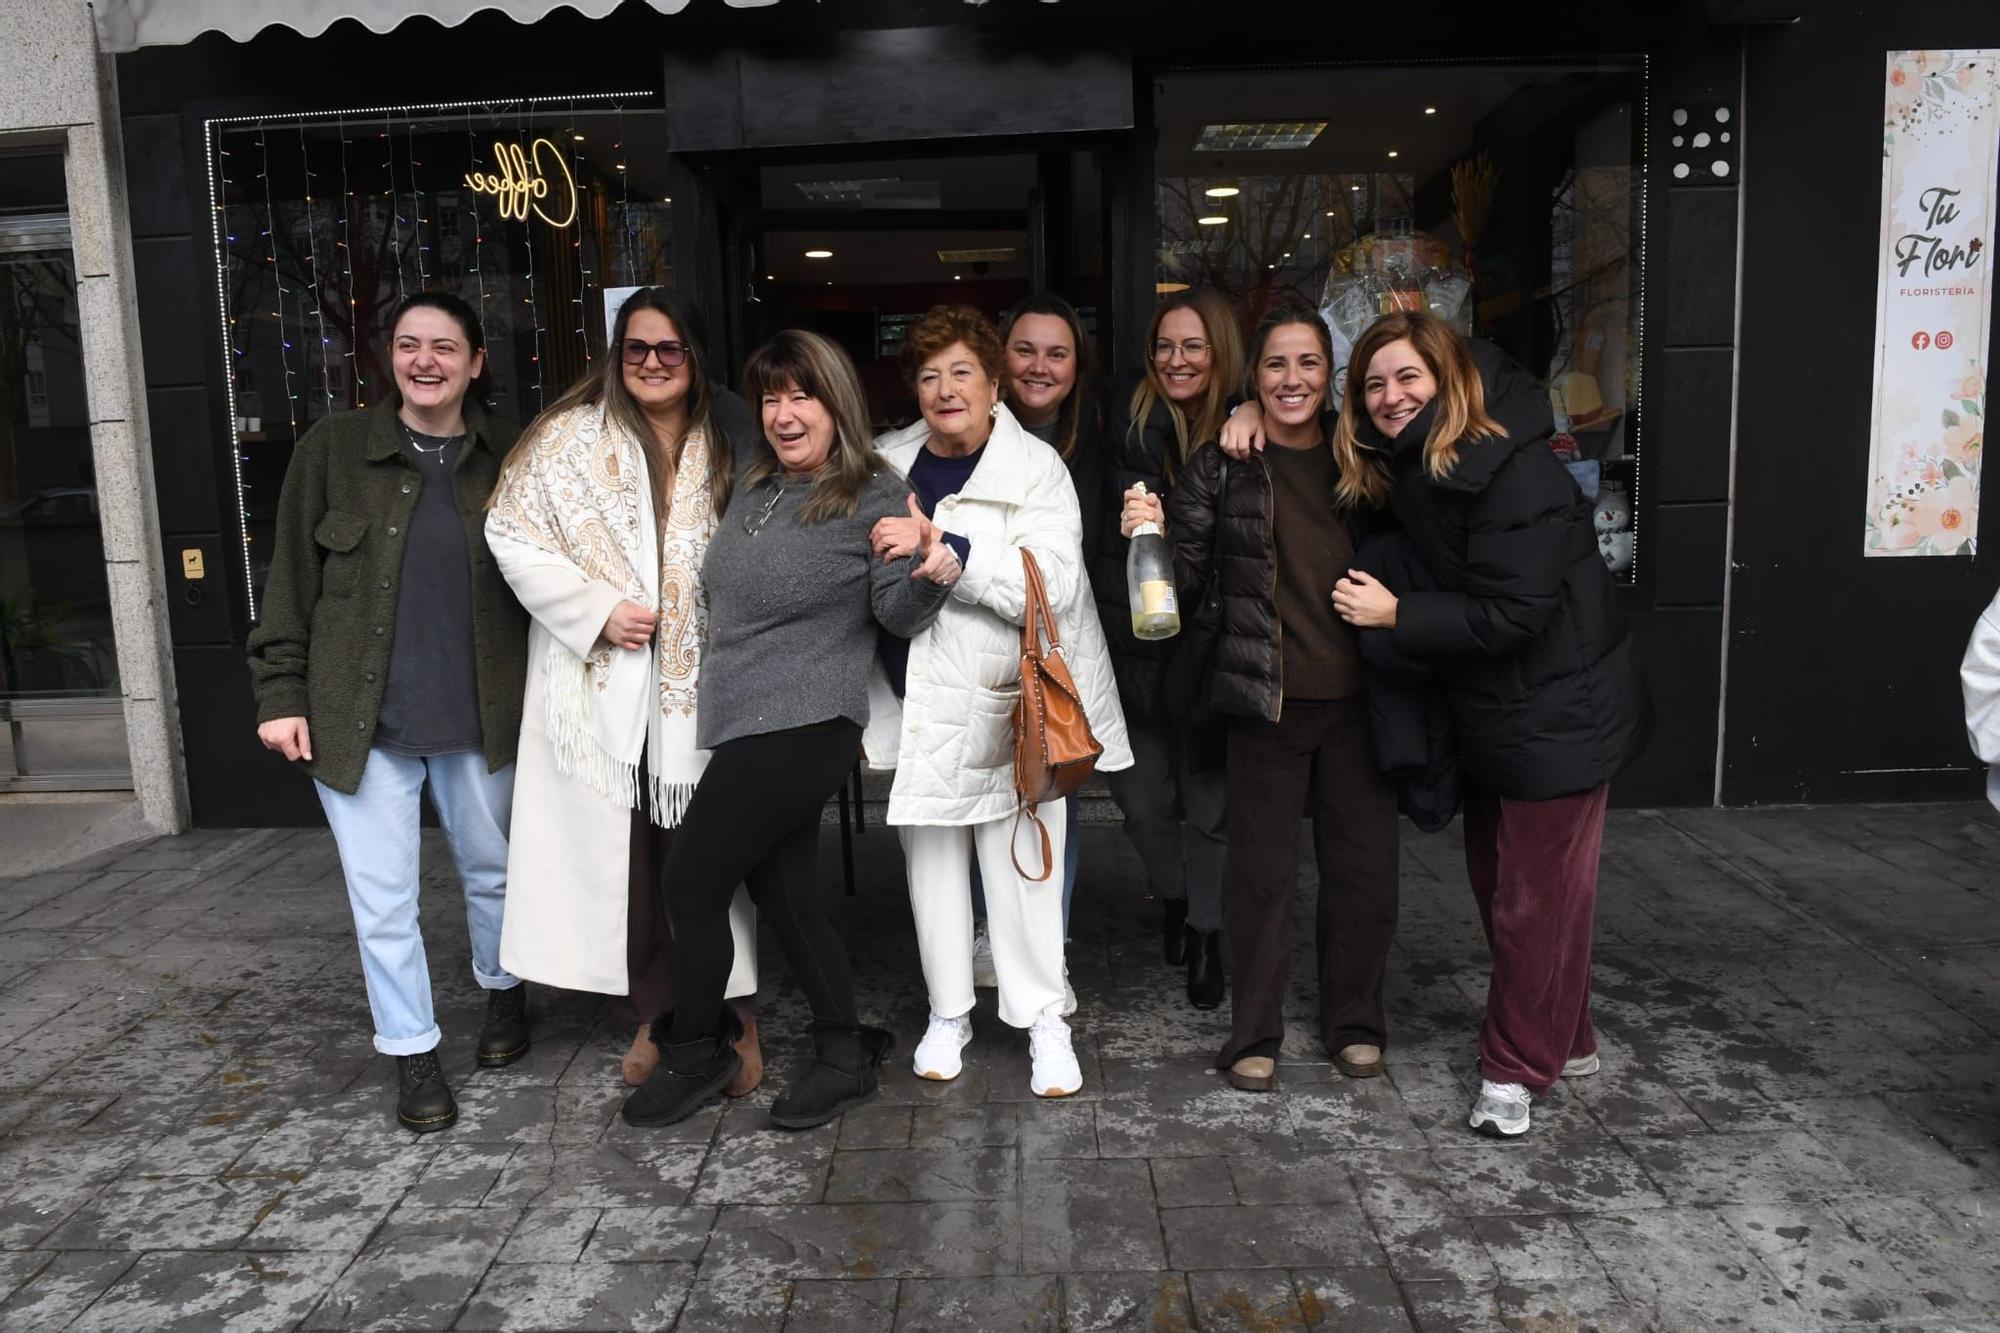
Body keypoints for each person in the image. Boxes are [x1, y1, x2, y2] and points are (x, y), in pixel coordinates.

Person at [621, 329, 956, 1131]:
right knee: (788, 895)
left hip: (806, 723)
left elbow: (895, 614)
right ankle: (844, 1050)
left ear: (836, 401)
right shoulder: (758, 483)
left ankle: (700, 1047)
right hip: (744, 723)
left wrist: (936, 567)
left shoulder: (875, 493)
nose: (783, 412)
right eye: (772, 396)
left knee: (692, 881)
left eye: (801, 394)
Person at [1327, 309, 1647, 1138]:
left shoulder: (1509, 469)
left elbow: (1516, 611)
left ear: (1449, 378)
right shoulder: (1417, 464)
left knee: (1532, 902)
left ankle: (1514, 1068)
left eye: (1408, 378)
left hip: (1559, 710)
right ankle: (1567, 1037)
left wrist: (1400, 614)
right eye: (1373, 385)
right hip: (1501, 712)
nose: (1391, 397)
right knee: (1517, 892)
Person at [248, 291, 530, 1134]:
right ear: (390, 358)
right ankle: (413, 1051)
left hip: (482, 710)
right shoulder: (333, 450)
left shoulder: (508, 456)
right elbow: (290, 579)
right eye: (409, 344)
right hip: (356, 718)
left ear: (476, 362)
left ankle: (505, 994)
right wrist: (280, 693)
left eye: (446, 347)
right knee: (383, 900)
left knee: (495, 872)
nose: (425, 361)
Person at [484, 287, 763, 1097]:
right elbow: (510, 531)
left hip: (709, 678)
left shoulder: (736, 436)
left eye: (669, 349)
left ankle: (735, 1010)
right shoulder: (565, 438)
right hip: (599, 681)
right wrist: (596, 609)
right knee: (633, 853)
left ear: (696, 357)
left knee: (708, 851)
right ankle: (656, 1008)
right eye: (635, 348)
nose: (650, 363)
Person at [1131, 304, 1400, 1093]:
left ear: (1330, 375)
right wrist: (1145, 533)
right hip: (1263, 700)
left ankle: (1354, 1023)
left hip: (1359, 702)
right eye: (1276, 365)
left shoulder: (1368, 459)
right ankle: (1255, 1032)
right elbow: (1176, 577)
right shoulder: (1223, 464)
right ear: (1254, 376)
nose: (1292, 379)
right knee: (1260, 878)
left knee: (1363, 874)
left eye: (1308, 363)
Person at [868, 304, 1133, 1099]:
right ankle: (949, 1012)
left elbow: (1051, 586)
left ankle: (1044, 1019)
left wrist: (947, 554)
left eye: (961, 373)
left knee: (1025, 875)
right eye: (928, 375)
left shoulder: (1036, 468)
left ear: (993, 386)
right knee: (934, 874)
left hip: (1009, 705)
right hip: (921, 705)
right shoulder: (886, 465)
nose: (945, 389)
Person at [1099, 288, 1244, 1007]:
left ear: (1219, 351)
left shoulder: (1250, 430)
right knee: (1144, 803)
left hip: (1218, 650)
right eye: (1165, 345)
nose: (1177, 360)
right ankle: (1177, 896)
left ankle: (1209, 933)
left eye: (1193, 346)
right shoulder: (1125, 426)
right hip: (1140, 647)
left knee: (1211, 807)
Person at [953, 293, 1100, 983]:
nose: (1039, 366)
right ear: (997, 360)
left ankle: (1049, 946)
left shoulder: (1106, 431)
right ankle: (991, 936)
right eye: (1025, 349)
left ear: (1078, 365)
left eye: (1058, 352)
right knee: (994, 791)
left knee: (1051, 781)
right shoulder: (959, 438)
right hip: (991, 638)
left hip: (1083, 646)